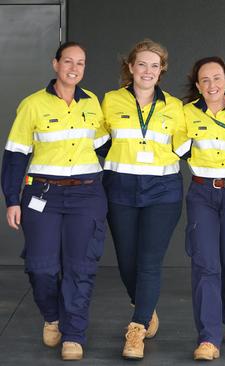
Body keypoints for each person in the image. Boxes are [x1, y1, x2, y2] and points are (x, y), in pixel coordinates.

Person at [1, 41, 109, 361]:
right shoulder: (32, 105)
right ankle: (53, 316)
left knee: (80, 267)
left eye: (81, 63)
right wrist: (12, 199)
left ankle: (73, 334)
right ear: (55, 64)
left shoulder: (92, 104)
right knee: (42, 267)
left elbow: (107, 148)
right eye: (68, 61)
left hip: (87, 193)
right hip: (43, 194)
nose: (74, 68)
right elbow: (16, 155)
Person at [100, 39, 186, 360]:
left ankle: (136, 328)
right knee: (126, 260)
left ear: (161, 70)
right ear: (131, 67)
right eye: (142, 64)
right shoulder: (110, 101)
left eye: (154, 65)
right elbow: (96, 143)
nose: (147, 71)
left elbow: (186, 147)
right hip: (120, 189)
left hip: (163, 191)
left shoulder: (174, 107)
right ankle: (146, 306)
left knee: (149, 261)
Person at [178, 56, 225, 361]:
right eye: (205, 80)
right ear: (197, 85)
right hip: (202, 193)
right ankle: (208, 338)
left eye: (217, 78)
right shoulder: (186, 114)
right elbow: (180, 149)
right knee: (205, 263)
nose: (212, 84)